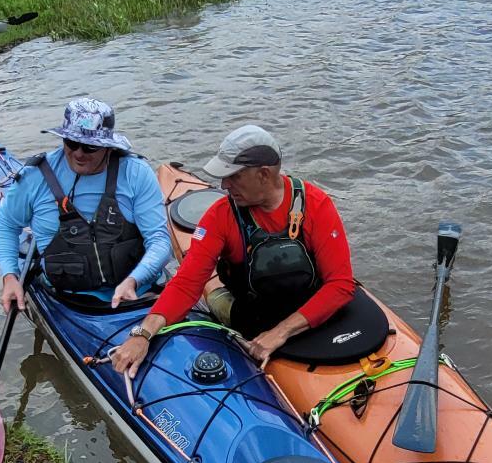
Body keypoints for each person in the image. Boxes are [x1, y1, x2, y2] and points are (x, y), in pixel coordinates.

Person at [112, 124, 354, 376]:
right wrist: (142, 334)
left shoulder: (316, 205)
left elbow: (340, 284)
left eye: (234, 176)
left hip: (305, 302)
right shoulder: (219, 217)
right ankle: (216, 294)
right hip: (252, 311)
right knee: (214, 298)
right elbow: (185, 285)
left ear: (263, 174)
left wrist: (280, 332)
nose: (224, 185)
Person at [0, 97, 172, 315]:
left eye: (90, 147)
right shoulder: (34, 176)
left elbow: (159, 240)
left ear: (108, 146)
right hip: (67, 298)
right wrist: (10, 276)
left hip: (139, 293)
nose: (78, 153)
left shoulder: (136, 173)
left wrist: (135, 279)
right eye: (71, 143)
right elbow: (6, 226)